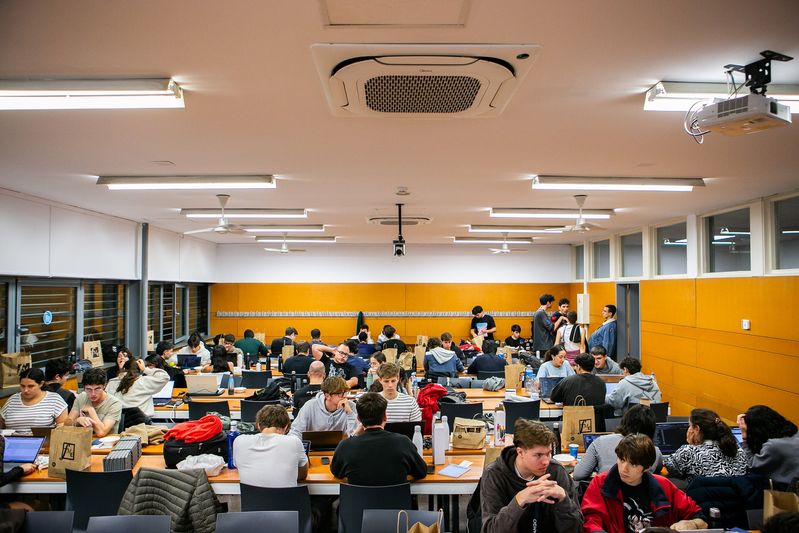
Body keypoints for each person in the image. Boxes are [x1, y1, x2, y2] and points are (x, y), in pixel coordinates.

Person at [581, 434, 707, 532]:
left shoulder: (664, 486)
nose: (624, 469)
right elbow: (591, 521)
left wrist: (693, 524)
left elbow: (701, 518)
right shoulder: (600, 483)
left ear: (647, 467)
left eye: (633, 464)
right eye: (622, 460)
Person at [480, 419, 583, 532]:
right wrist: (519, 500)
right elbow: (491, 529)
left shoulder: (557, 471)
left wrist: (563, 500)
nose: (546, 461)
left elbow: (576, 529)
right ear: (520, 452)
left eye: (548, 453)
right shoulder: (494, 475)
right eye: (538, 455)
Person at [330, 392, 427, 485]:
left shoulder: (345, 446)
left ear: (358, 419)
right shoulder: (403, 442)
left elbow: (336, 472)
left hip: (358, 497)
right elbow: (421, 472)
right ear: (385, 416)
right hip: (396, 497)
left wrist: (355, 434)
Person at [573, 404, 663, 481]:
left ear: (624, 420)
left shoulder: (601, 442)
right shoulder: (655, 452)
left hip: (607, 493)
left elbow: (578, 474)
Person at [663, 408, 748, 483]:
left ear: (697, 429)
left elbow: (666, 469)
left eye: (690, 426)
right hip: (737, 496)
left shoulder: (688, 452)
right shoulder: (739, 451)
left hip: (701, 496)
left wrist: (692, 446)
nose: (689, 429)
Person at [233, 404, 308, 487]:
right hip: (286, 495)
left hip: (251, 495)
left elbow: (239, 468)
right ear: (286, 427)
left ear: (258, 425)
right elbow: (303, 474)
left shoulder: (239, 441)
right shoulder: (294, 442)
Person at [737, 405, 798, 490]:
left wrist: (744, 436)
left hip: (787, 491)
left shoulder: (773, 445)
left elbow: (751, 465)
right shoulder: (795, 433)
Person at [289, 376, 358, 439]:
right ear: (327, 396)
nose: (345, 396)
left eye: (345, 392)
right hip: (313, 447)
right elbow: (295, 432)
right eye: (340, 394)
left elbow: (355, 437)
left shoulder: (350, 406)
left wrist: (350, 413)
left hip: (341, 447)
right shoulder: (310, 406)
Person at [0, 368, 68, 430]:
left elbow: (62, 425)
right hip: (12, 439)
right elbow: (1, 425)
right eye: (22, 386)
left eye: (30, 386)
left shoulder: (54, 399)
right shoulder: (12, 400)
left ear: (41, 384)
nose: (25, 390)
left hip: (42, 439)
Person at [67, 367, 122, 437]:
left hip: (107, 442)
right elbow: (66, 424)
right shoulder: (81, 397)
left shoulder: (114, 403)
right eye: (88, 389)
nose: (93, 394)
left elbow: (101, 432)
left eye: (97, 389)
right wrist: (77, 421)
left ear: (104, 386)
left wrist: (91, 410)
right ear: (84, 387)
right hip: (84, 440)